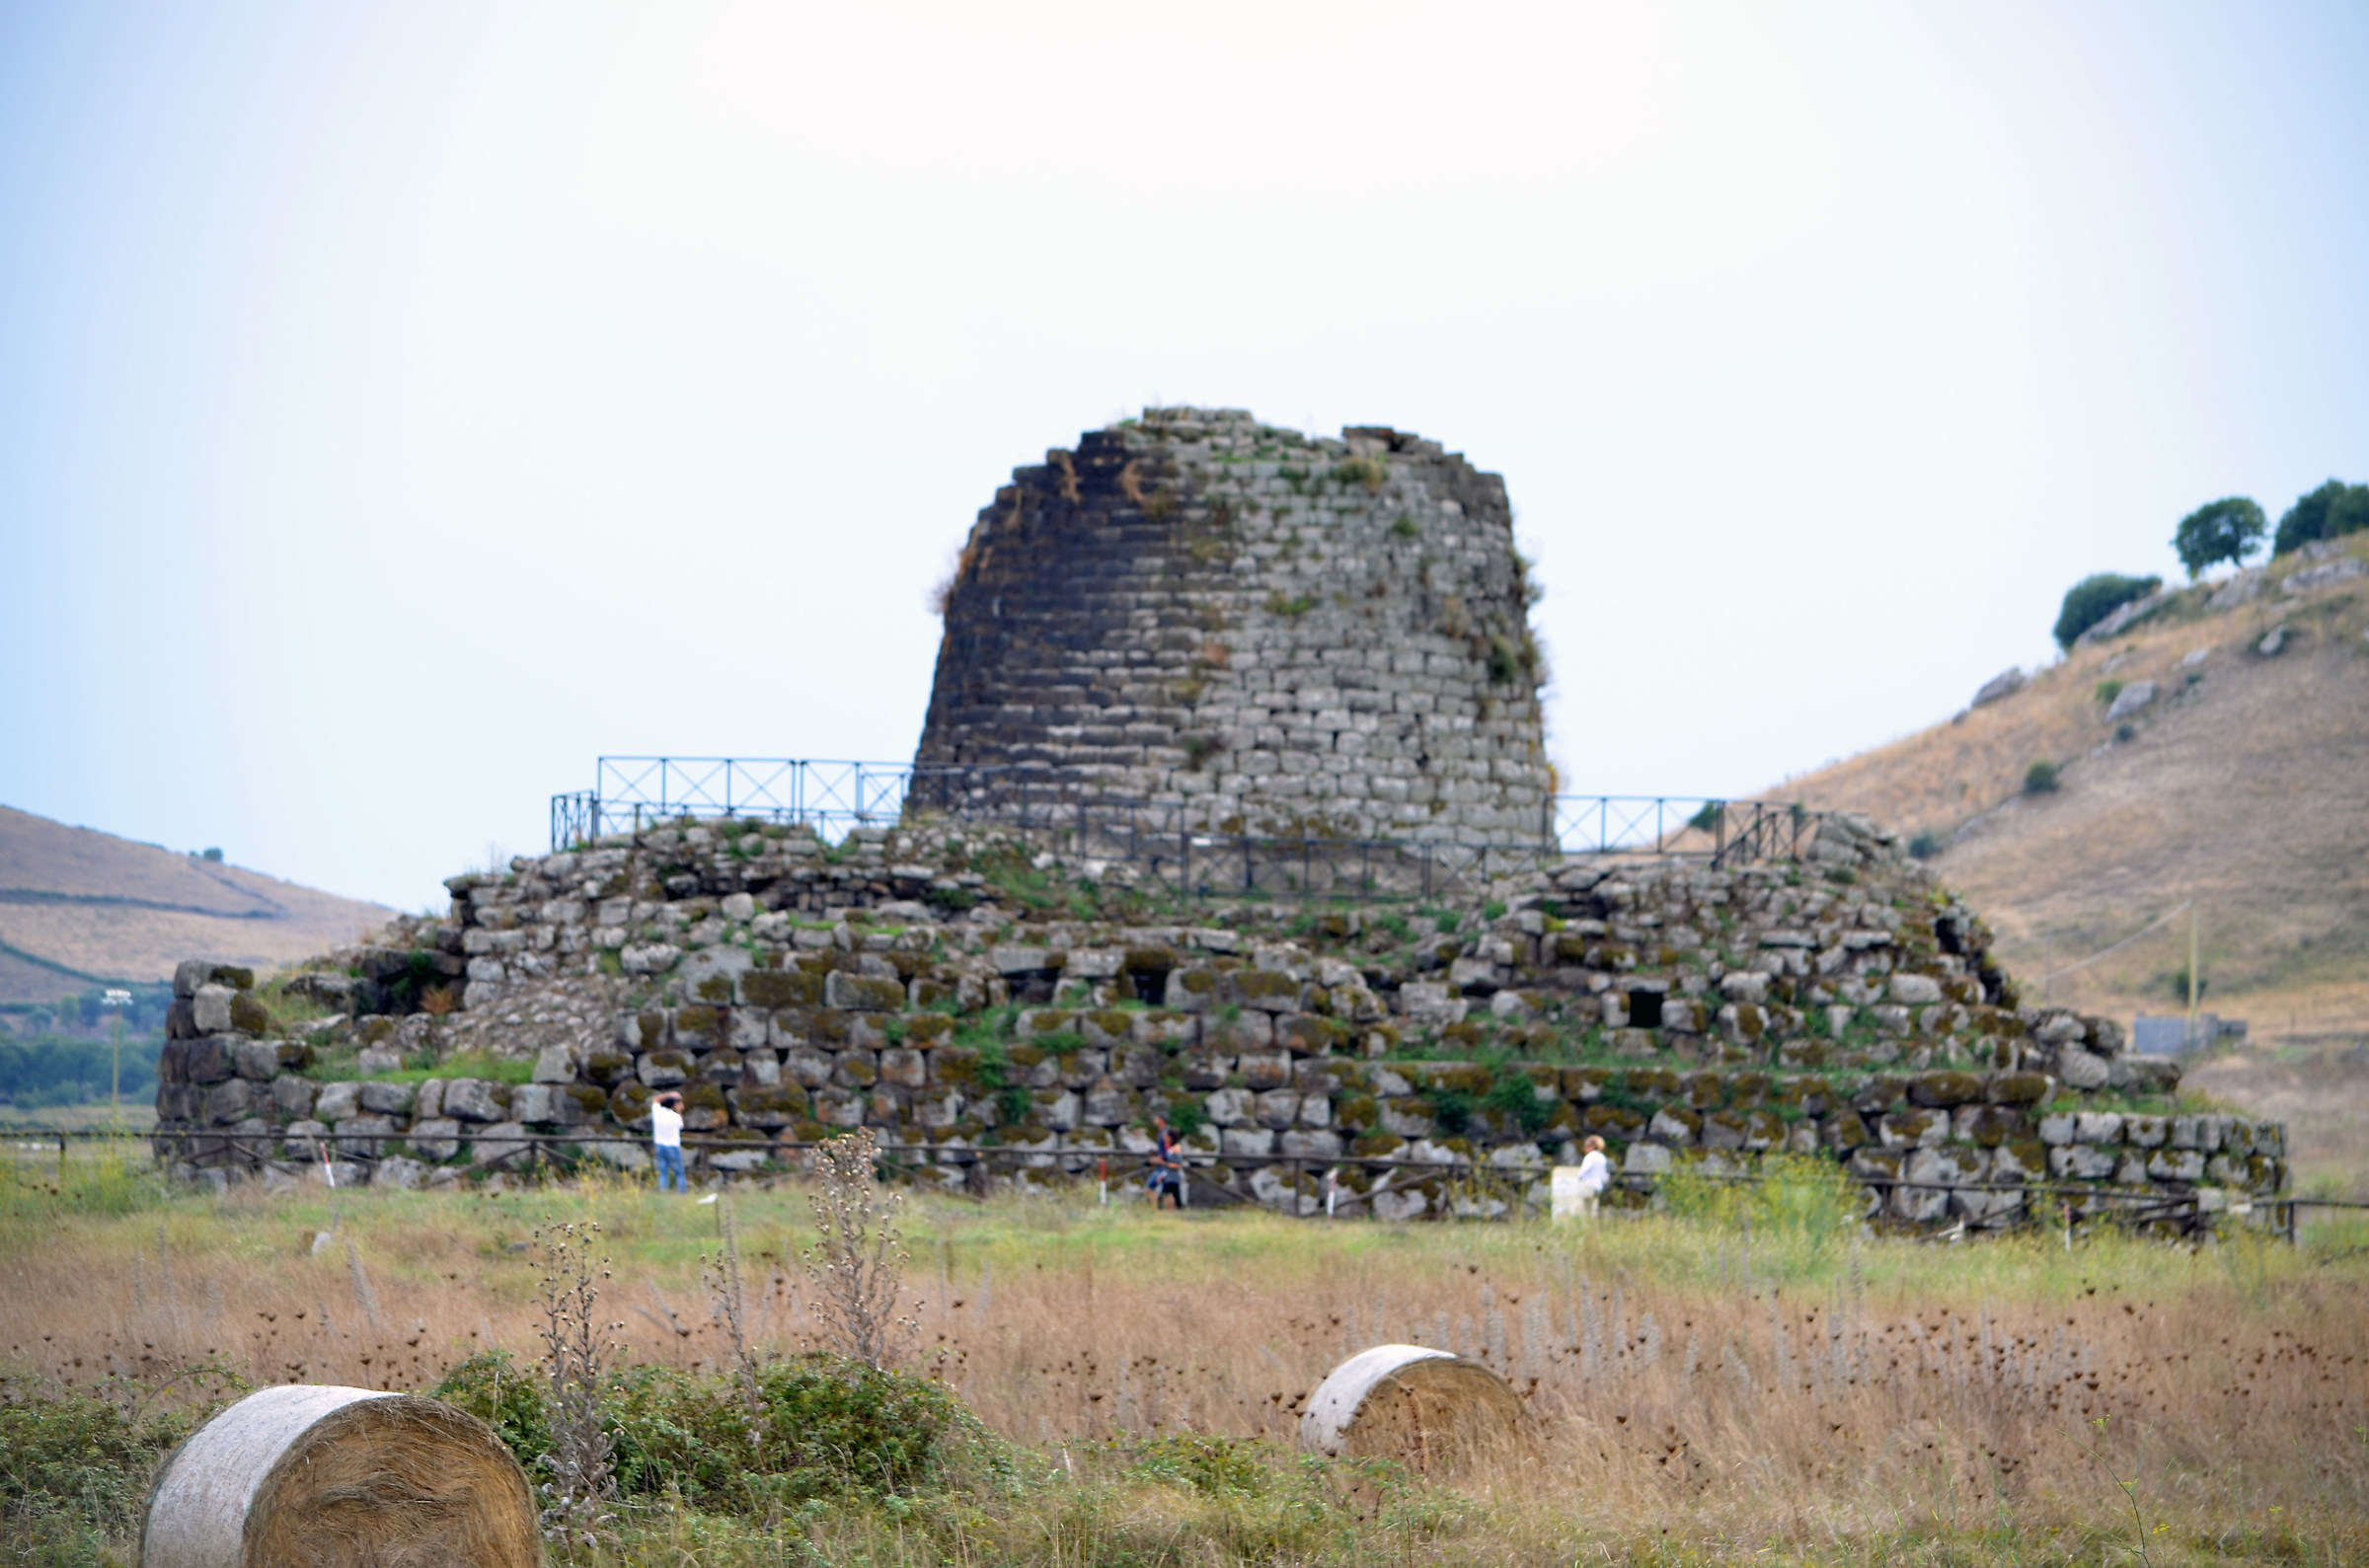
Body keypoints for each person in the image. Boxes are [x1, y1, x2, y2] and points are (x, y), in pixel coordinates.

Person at [1146, 1113, 1185, 1209]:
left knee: (1165, 1193)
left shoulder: (1166, 1135)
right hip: (1167, 1171)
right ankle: (1162, 1210)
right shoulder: (1163, 1133)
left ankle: (1158, 1210)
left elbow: (1173, 1159)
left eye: (1156, 1118)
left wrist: (1161, 1161)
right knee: (1169, 1194)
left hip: (1169, 1171)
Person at [650, 1090, 686, 1193]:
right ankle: (682, 1193)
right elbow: (681, 1126)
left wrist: (670, 1094)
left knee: (663, 1173)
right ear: (674, 1105)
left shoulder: (657, 1112)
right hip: (672, 1146)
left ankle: (663, 1192)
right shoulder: (676, 1116)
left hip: (660, 1145)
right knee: (679, 1173)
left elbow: (655, 1099)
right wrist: (679, 1111)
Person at [1573, 1134, 1611, 1219]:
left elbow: (1583, 1171)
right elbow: (1604, 1174)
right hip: (1598, 1186)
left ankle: (1586, 1226)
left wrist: (1578, 1179)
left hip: (1588, 1185)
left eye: (1586, 1145)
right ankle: (1594, 1227)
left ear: (1593, 1146)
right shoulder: (1602, 1157)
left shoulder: (1590, 1156)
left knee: (1585, 1210)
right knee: (1595, 1209)